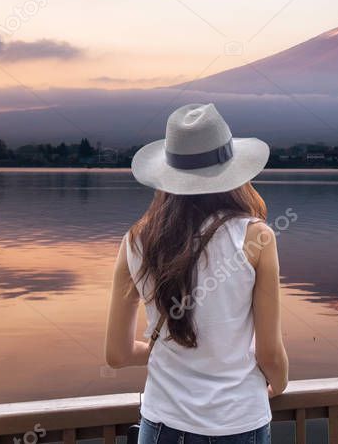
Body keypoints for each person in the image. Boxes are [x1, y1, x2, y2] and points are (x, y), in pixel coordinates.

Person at [105, 103, 288, 444]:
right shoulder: (256, 237)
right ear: (234, 171)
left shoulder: (135, 241)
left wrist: (175, 351)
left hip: (163, 427)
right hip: (240, 423)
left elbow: (116, 355)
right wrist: (281, 383)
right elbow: (269, 354)